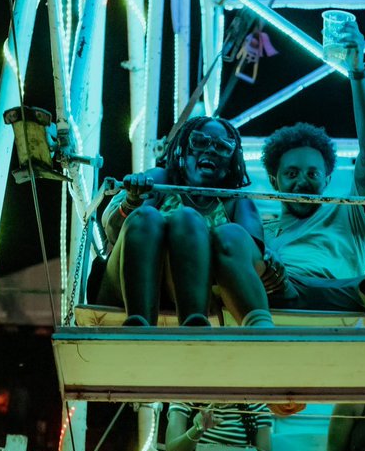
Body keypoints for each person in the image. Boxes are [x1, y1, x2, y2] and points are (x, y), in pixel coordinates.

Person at [209, 17, 365, 328]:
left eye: (312, 173)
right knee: (228, 235)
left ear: (326, 179)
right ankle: (260, 329)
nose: (302, 181)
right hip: (278, 287)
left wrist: (358, 71)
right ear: (274, 180)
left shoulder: (349, 213)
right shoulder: (258, 228)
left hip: (345, 289)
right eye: (292, 173)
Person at [100, 116, 271, 327]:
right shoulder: (159, 180)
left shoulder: (236, 202)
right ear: (182, 150)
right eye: (200, 142)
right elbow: (113, 231)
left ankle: (194, 320)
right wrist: (131, 202)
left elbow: (256, 260)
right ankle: (139, 321)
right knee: (148, 216)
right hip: (130, 282)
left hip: (197, 289)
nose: (210, 150)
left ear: (230, 163)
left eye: (222, 147)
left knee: (187, 218)